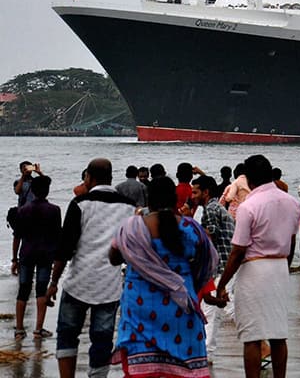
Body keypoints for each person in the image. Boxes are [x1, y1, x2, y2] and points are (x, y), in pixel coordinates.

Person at [109, 177, 218, 377]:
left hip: (140, 310)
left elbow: (114, 258)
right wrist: (186, 282)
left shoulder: (132, 227)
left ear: (149, 200)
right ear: (175, 199)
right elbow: (209, 262)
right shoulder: (191, 227)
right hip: (180, 310)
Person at [46, 158, 136, 378]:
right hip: (109, 286)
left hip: (78, 282)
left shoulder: (80, 204)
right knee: (102, 340)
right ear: (110, 177)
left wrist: (53, 283)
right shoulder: (129, 207)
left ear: (89, 177)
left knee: (67, 335)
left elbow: (65, 249)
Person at [215, 154, 300, 378]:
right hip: (281, 267)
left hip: (254, 269)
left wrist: (222, 283)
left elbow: (238, 250)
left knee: (252, 335)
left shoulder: (248, 206)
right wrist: (286, 267)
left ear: (249, 179)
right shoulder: (293, 203)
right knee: (278, 333)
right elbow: (291, 242)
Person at [190, 175, 234, 362]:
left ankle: (207, 352)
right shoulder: (217, 207)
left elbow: (209, 237)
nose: (192, 196)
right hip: (227, 263)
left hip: (221, 264)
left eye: (195, 192)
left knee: (215, 308)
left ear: (206, 192)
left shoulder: (210, 209)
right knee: (224, 306)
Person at [11, 175, 61, 340]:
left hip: (26, 252)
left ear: (31, 190)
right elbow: (57, 236)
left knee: (23, 291)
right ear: (47, 191)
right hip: (45, 254)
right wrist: (57, 258)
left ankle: (19, 329)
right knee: (41, 290)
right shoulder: (54, 210)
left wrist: (14, 259)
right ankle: (38, 330)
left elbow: (17, 236)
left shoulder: (22, 210)